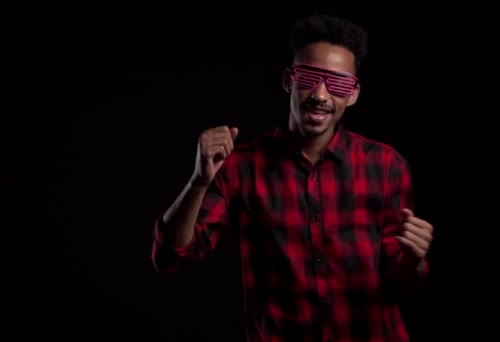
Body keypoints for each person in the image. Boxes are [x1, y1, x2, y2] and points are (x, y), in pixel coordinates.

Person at [151, 14, 434, 342]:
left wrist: (414, 260)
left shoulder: (386, 166)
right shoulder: (240, 167)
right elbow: (170, 258)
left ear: (353, 94)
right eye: (309, 77)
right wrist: (198, 181)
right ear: (288, 80)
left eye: (338, 84)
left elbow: (398, 284)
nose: (321, 95)